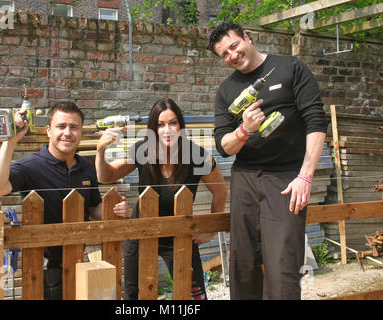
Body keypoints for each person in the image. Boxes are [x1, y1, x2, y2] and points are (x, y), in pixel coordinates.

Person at [207, 22, 327, 300]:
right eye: (224, 54)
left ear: (247, 38)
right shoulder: (226, 91)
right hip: (245, 180)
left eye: (234, 46)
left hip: (287, 179)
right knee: (243, 264)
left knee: (283, 263)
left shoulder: (291, 68)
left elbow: (316, 122)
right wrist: (245, 130)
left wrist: (306, 176)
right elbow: (224, 147)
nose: (232, 55)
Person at [0, 101, 132, 300]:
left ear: (80, 131)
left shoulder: (86, 168)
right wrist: (10, 140)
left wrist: (114, 210)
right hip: (44, 266)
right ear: (48, 130)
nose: (68, 133)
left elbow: (92, 209)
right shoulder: (31, 167)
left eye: (74, 127)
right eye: (61, 126)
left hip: (80, 259)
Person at [96, 98, 228, 300]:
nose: (168, 130)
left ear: (180, 126)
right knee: (133, 295)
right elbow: (106, 177)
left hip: (180, 235)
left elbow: (220, 191)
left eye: (173, 123)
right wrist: (101, 150)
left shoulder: (197, 156)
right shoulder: (143, 150)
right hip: (141, 232)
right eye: (160, 124)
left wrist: (211, 228)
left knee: (195, 296)